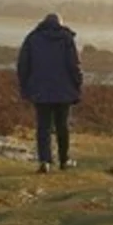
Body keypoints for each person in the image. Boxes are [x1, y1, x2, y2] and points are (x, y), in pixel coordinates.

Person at [16, 12, 83, 173]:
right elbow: (74, 65)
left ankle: (44, 161)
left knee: (43, 126)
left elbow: (23, 65)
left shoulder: (32, 38)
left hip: (40, 90)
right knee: (62, 126)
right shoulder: (67, 39)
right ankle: (64, 160)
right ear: (60, 23)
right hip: (64, 91)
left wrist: (25, 86)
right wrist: (77, 84)